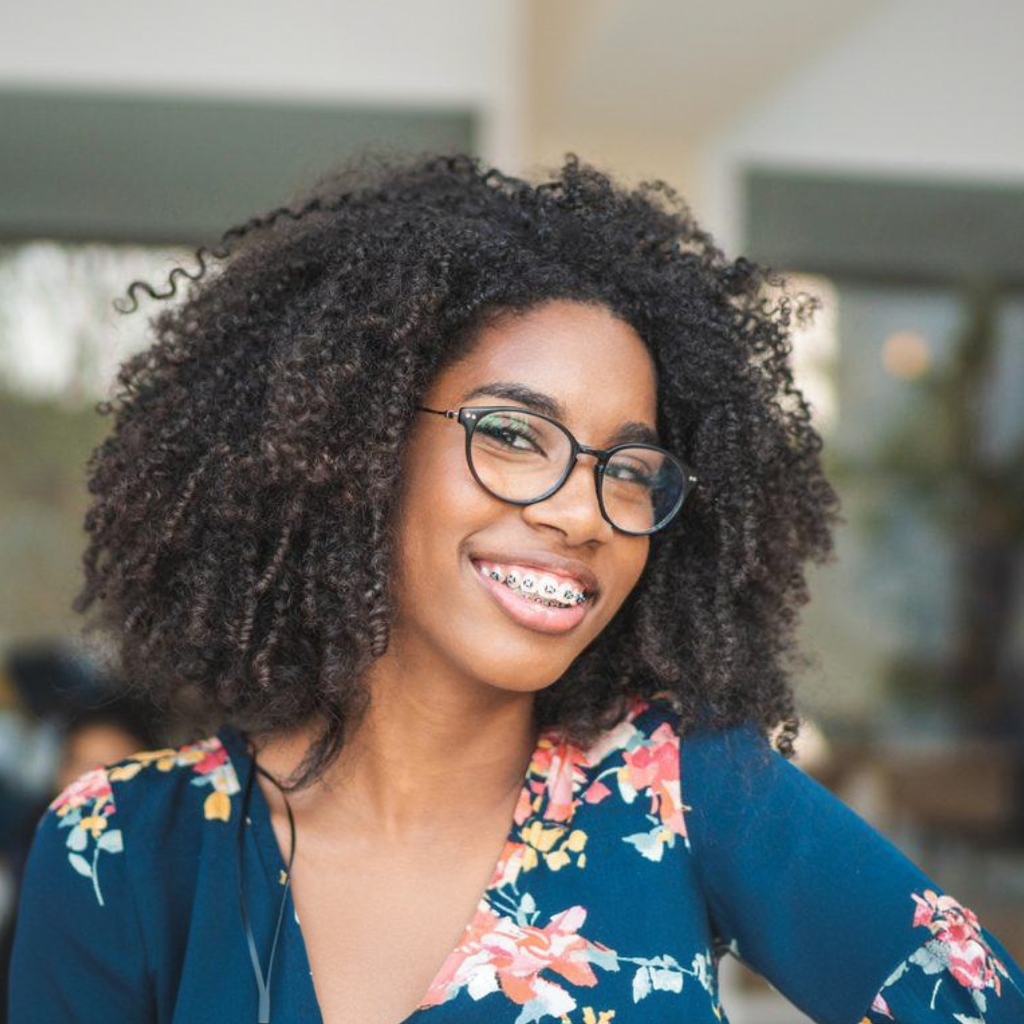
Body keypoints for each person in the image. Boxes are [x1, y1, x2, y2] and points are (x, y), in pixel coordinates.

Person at [7, 150, 1023, 1024]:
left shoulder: (687, 792)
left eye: (626, 469)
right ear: (353, 447)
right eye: (509, 433)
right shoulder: (123, 847)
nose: (582, 514)